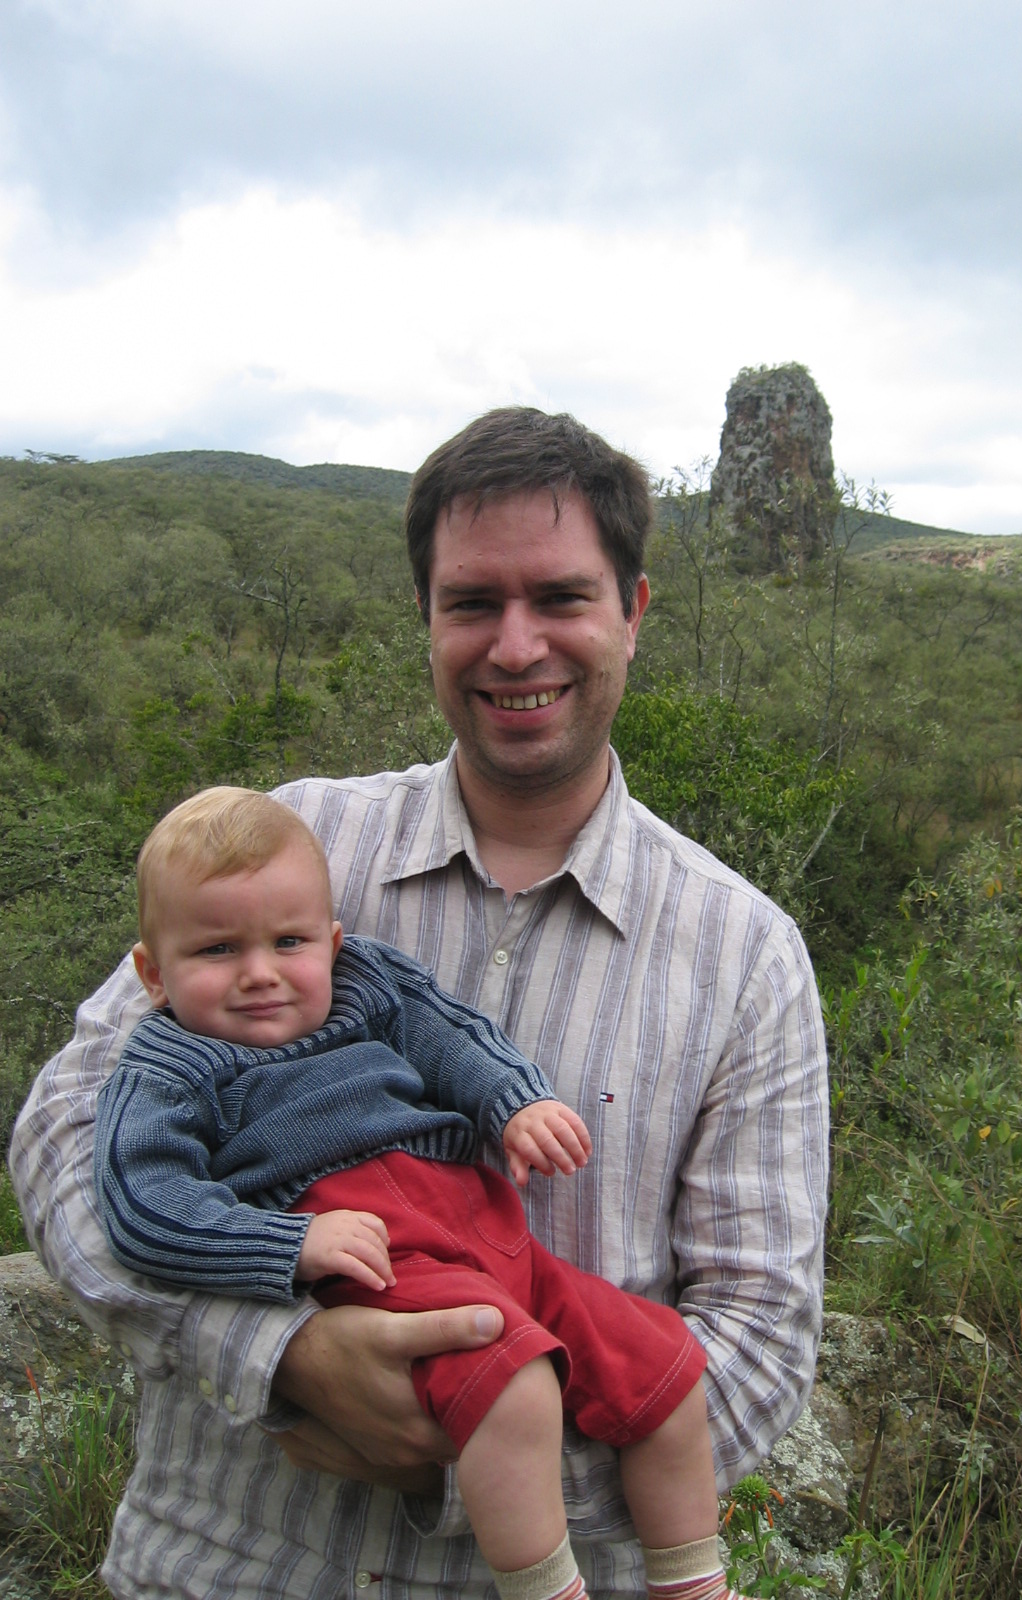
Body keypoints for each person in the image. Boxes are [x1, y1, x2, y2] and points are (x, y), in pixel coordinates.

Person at [10, 406, 829, 1600]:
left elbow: (757, 1347)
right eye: (472, 602)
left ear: (633, 613)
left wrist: (464, 1453)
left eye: (561, 597)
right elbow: (63, 1133)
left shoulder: (745, 954)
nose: (516, 645)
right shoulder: (284, 848)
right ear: (427, 618)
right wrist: (278, 1349)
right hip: (220, 1568)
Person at [96, 783, 733, 1600]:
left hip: (490, 1229)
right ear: (153, 974)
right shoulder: (168, 1067)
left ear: (331, 942)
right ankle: (546, 1590)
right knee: (513, 1385)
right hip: (386, 1262)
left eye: (289, 942)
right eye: (217, 951)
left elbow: (448, 1034)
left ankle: (694, 1582)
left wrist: (515, 1102)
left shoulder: (364, 981)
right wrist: (286, 1245)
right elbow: (142, 1204)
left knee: (664, 1366)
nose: (260, 974)